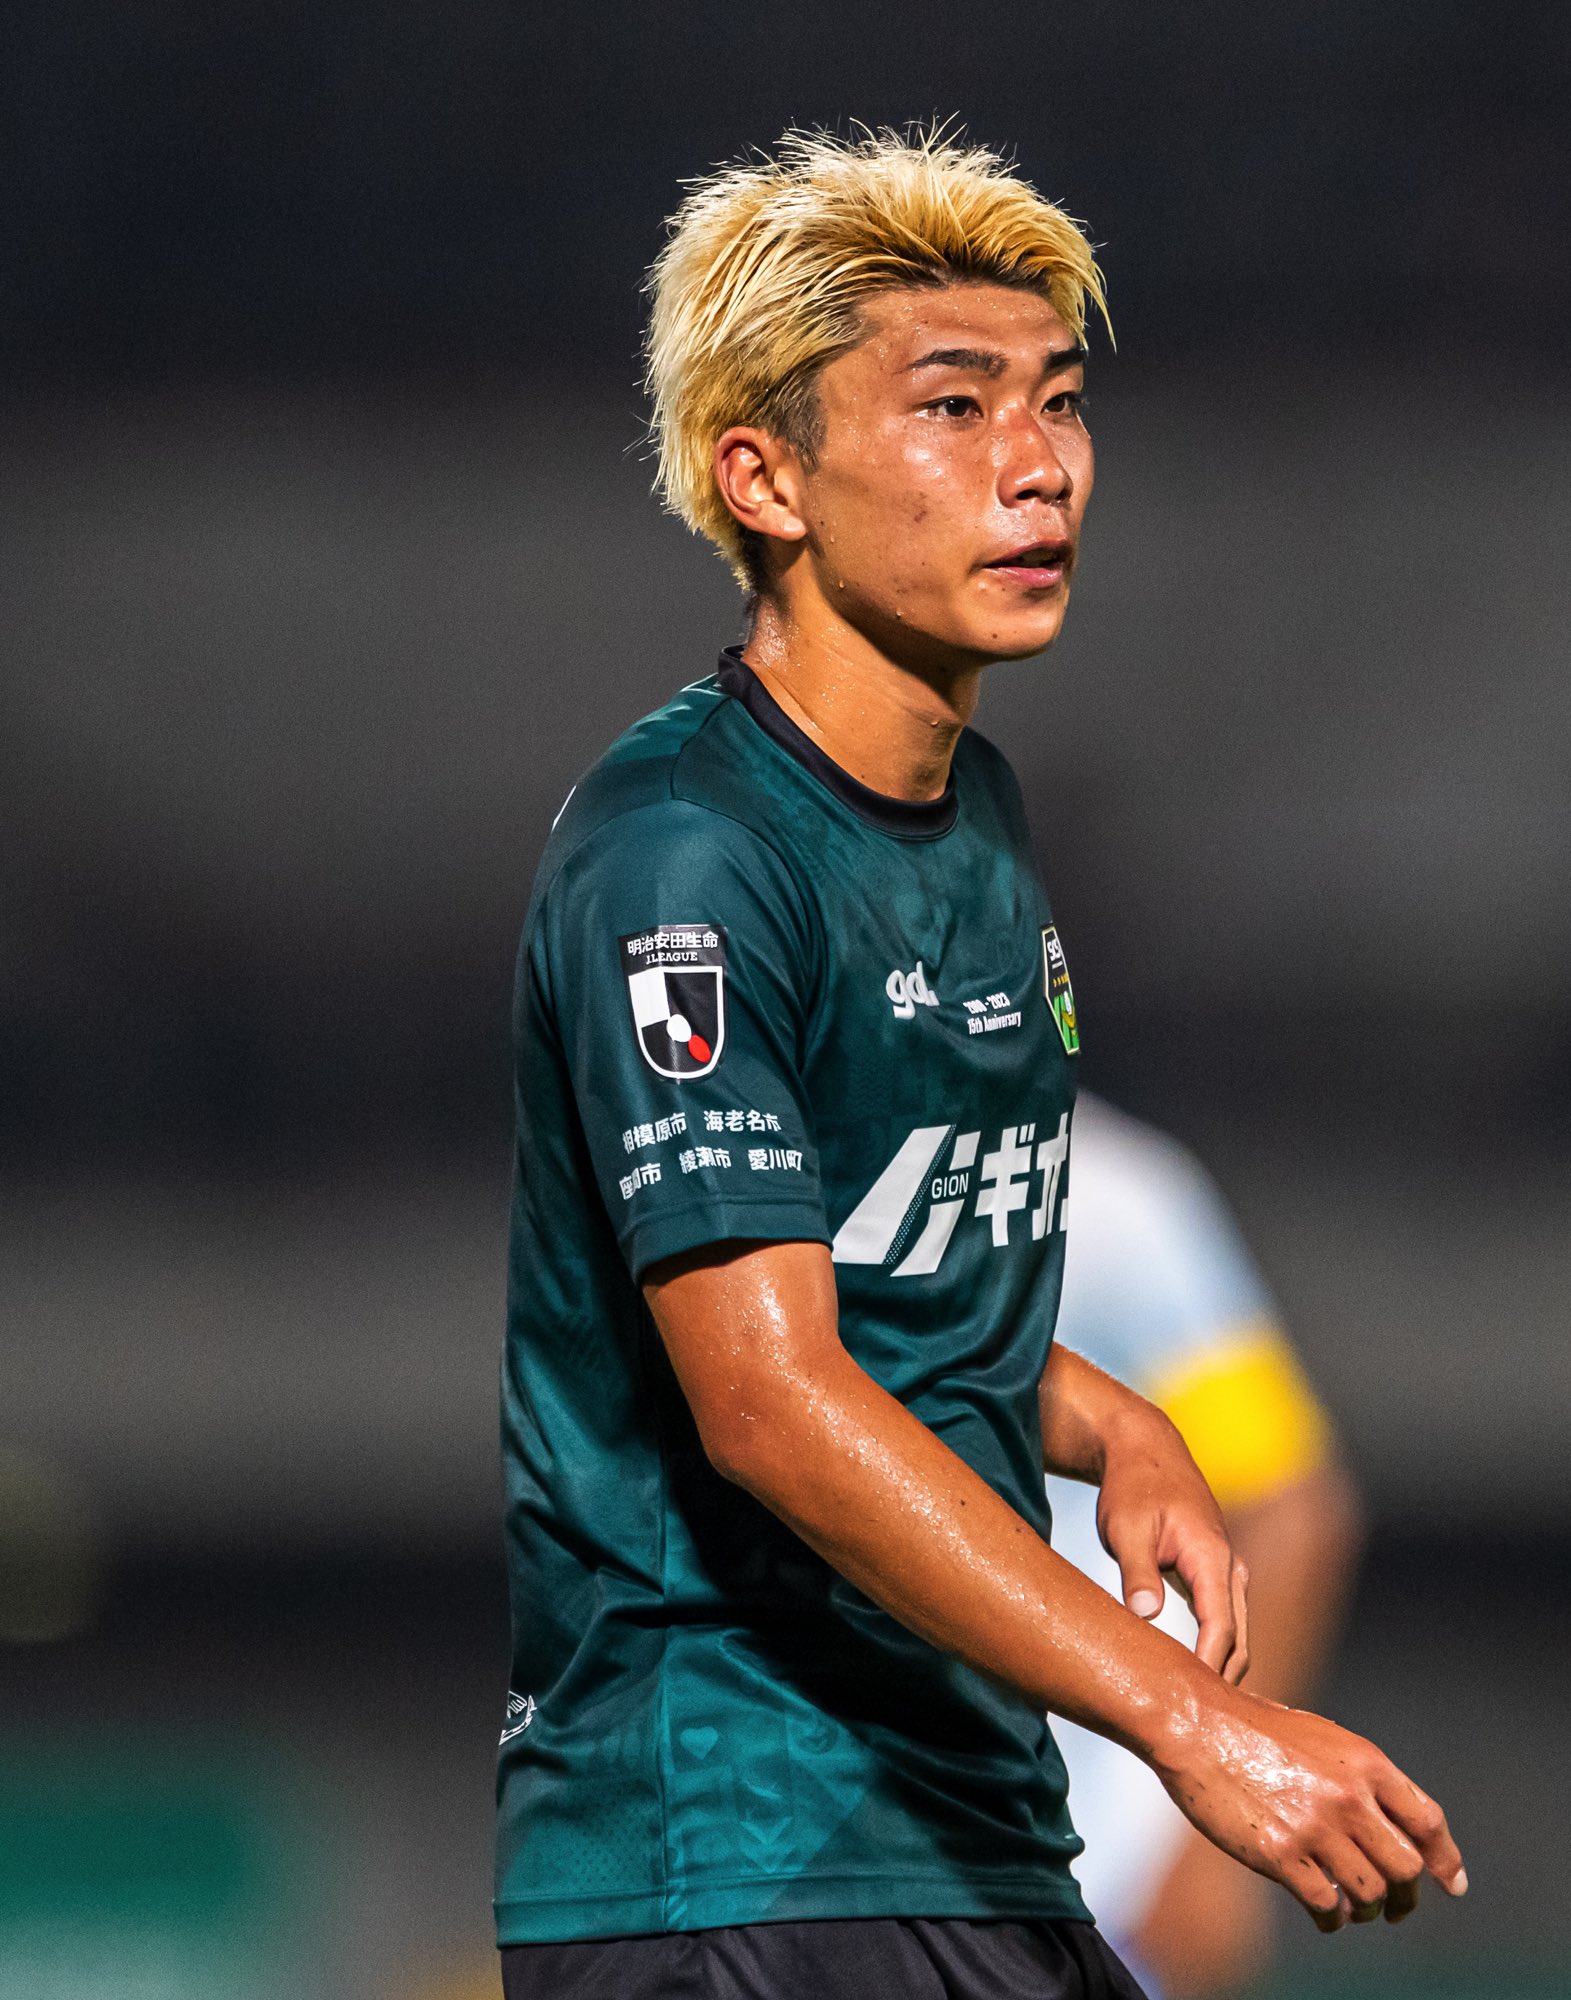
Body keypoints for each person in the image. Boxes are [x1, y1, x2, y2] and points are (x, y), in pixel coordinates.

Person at [492, 127, 1463, 2000]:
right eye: (954, 405)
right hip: (732, 1848)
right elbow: (771, 1399)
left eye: (1059, 402)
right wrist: (1195, 1721)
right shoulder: (684, 857)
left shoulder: (977, 821)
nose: (1039, 464)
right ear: (763, 476)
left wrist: (1114, 1426)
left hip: (961, 1823)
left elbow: (897, 1295)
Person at [1048, 1094, 1365, 1996]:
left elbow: (1289, 1505)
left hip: (1105, 1857)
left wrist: (1211, 1845)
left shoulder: (1113, 1195)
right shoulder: (780, 1159)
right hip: (877, 1836)